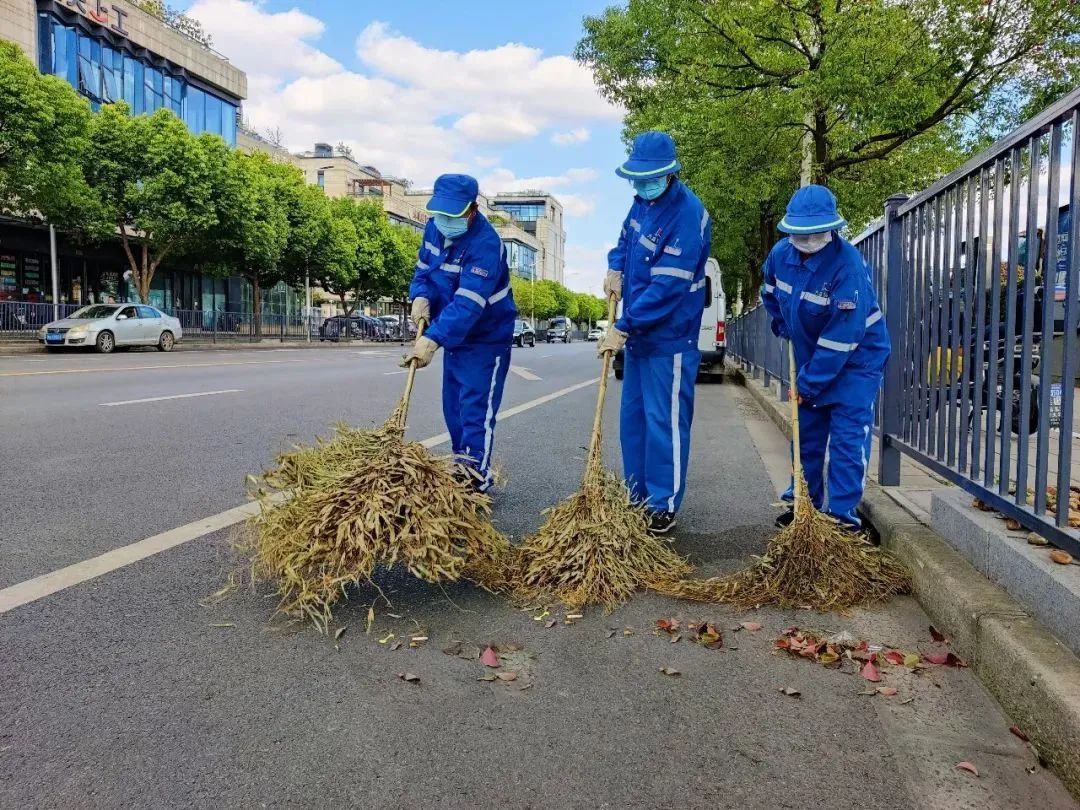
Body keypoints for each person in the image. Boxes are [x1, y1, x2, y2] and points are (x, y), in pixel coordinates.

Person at [598, 131, 712, 535]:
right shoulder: (641, 204)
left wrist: (623, 325)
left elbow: (668, 286)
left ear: (670, 173)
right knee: (634, 421)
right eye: (637, 179)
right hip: (640, 336)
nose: (642, 185)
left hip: (669, 336)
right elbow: (625, 243)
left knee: (664, 423)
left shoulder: (687, 214)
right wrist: (615, 268)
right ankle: (637, 496)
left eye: (649, 178)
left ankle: (662, 504)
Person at [760, 184, 891, 532]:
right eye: (798, 233)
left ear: (831, 229)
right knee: (806, 435)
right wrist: (781, 323)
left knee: (848, 440)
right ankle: (805, 504)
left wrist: (807, 384)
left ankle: (842, 519)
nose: (805, 241)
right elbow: (770, 293)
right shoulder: (779, 255)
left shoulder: (846, 267)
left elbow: (842, 338)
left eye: (814, 233)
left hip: (856, 361)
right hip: (811, 356)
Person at [402, 174, 517, 493]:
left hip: (486, 336)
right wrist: (420, 295)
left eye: (454, 215)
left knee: (475, 408)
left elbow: (468, 304)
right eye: (442, 214)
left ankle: (476, 475)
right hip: (452, 334)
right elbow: (423, 271)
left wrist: (432, 338)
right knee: (453, 407)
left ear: (472, 209)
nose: (446, 221)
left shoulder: (486, 244)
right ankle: (462, 464)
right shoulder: (433, 228)